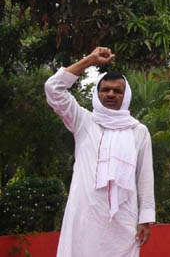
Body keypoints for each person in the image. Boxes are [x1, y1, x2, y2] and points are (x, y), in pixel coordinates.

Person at [44, 46, 155, 257]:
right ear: (97, 93)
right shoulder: (83, 121)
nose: (111, 94)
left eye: (117, 91)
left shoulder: (138, 131)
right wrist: (90, 60)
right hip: (84, 217)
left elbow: (145, 178)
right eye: (105, 90)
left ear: (126, 95)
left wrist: (145, 219)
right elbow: (53, 89)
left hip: (122, 220)